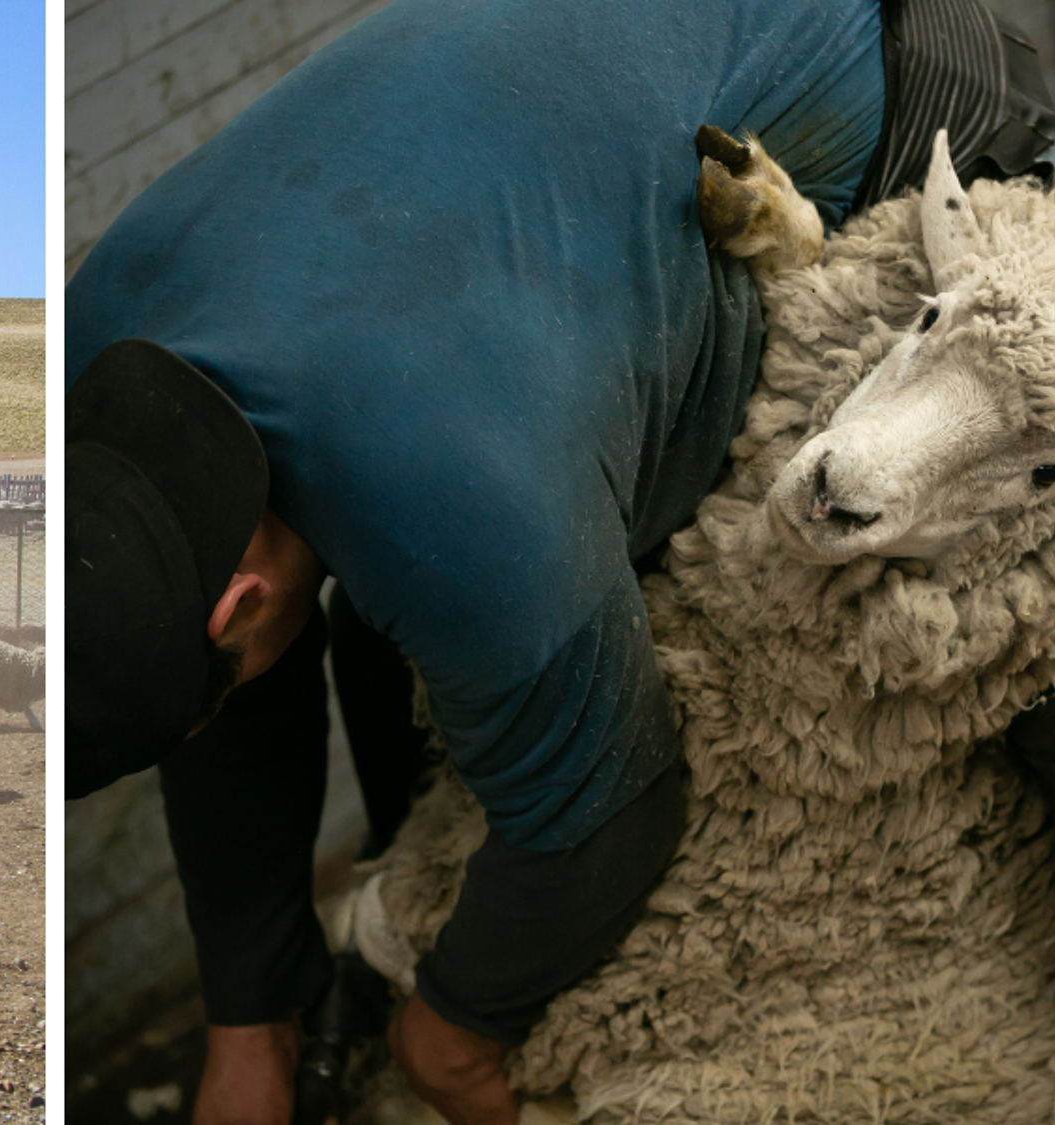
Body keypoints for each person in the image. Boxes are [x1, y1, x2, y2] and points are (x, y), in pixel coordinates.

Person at [64, 1, 1055, 1123]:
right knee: (398, 642)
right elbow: (221, 647)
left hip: (920, 111)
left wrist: (453, 1033)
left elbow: (603, 808)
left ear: (238, 601)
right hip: (620, 93)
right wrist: (249, 1015)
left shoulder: (453, 496)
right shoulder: (99, 354)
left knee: (1021, 676)